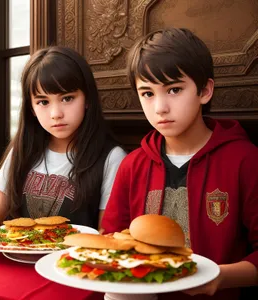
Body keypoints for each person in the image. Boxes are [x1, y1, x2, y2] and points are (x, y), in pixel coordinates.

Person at [102, 28, 258, 300]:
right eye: (147, 93)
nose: (160, 107)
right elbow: (112, 240)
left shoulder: (245, 160)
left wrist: (219, 278)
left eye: (174, 89)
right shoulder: (132, 165)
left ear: (205, 90)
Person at [0, 46, 126, 240]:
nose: (56, 114)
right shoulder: (23, 151)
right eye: (43, 102)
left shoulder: (111, 158)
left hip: (69, 266)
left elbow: (106, 237)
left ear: (87, 99)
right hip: (17, 261)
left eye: (67, 98)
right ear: (32, 108)